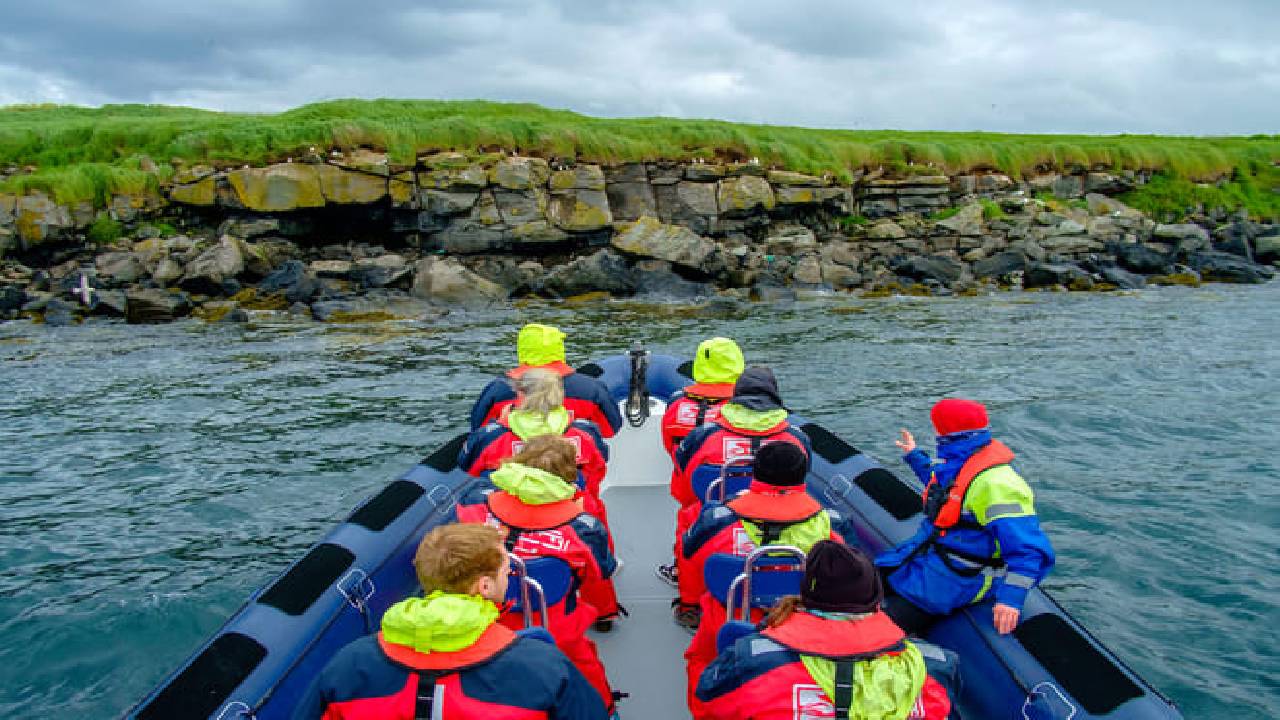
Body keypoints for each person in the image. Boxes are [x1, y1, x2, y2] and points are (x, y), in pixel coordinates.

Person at [293, 523, 607, 719]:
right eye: (504, 569)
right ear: (484, 586)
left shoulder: (350, 663)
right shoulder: (541, 665)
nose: (509, 573)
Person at [678, 442, 852, 715]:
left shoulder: (719, 518)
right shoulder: (830, 524)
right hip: (804, 621)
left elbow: (690, 553)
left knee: (701, 660)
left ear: (755, 473)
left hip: (728, 614)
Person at [454, 435, 621, 711]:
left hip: (485, 624)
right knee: (584, 667)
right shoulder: (583, 528)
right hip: (558, 630)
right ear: (569, 474)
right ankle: (604, 709)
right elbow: (599, 573)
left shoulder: (474, 507)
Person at [696, 541, 953, 720]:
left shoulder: (751, 662)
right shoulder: (939, 667)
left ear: (806, 593)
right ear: (875, 600)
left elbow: (709, 704)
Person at [876, 398, 1055, 636]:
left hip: (957, 580)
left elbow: (1030, 550)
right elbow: (944, 487)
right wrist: (914, 456)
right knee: (860, 582)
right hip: (926, 556)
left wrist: (1011, 599)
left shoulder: (997, 484)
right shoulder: (964, 459)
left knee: (883, 627)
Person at [659, 367, 812, 589]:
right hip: (788, 516)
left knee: (690, 528)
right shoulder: (795, 438)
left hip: (714, 509)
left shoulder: (705, 436)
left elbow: (684, 474)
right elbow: (801, 480)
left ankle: (689, 604)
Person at [459, 368, 612, 528]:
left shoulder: (493, 436)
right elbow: (598, 468)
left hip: (508, 518)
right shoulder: (585, 433)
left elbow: (468, 465)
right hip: (575, 514)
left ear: (520, 394)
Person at [470, 323, 622, 437]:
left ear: (522, 349)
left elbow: (480, 431)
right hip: (572, 471)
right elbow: (610, 429)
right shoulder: (592, 389)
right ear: (559, 348)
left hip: (514, 473)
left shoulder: (498, 390)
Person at [661, 337, 745, 459]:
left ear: (699, 364)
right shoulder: (746, 407)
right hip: (730, 477)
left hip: (685, 476)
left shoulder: (676, 403)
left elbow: (669, 446)